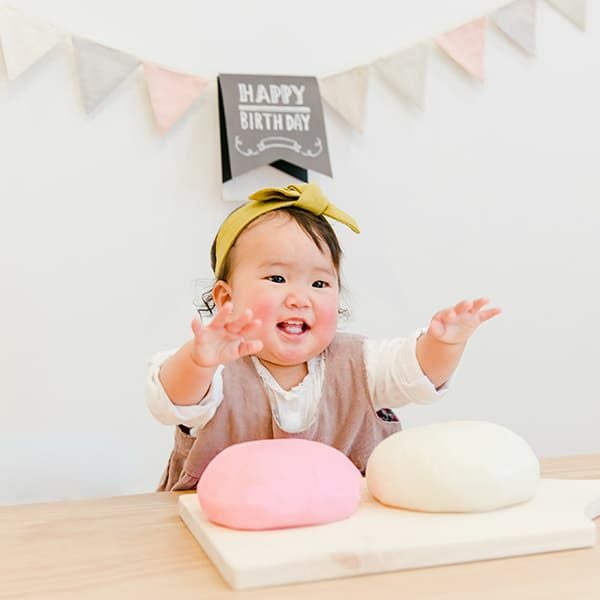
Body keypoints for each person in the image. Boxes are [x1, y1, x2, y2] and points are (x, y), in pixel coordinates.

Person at [146, 183, 500, 491]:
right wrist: (197, 361)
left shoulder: (361, 364)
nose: (300, 298)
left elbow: (417, 374)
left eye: (319, 283)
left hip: (341, 528)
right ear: (227, 299)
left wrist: (444, 344)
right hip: (217, 527)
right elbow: (172, 401)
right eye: (277, 279)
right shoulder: (218, 372)